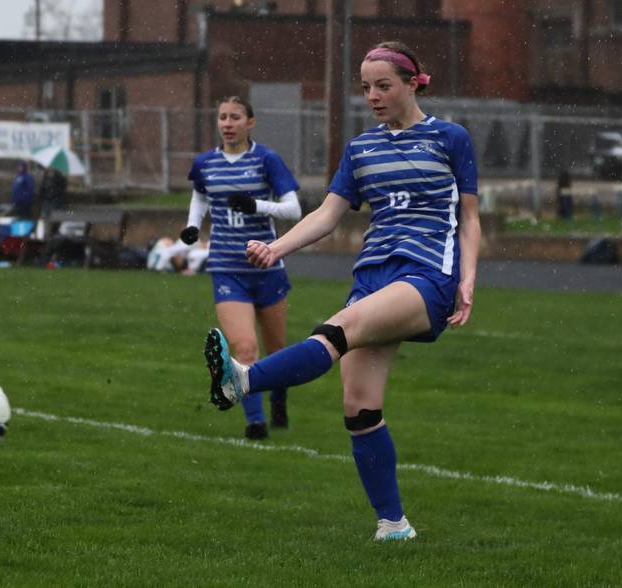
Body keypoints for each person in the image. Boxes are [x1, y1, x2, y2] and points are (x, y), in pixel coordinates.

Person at [203, 42, 480, 540]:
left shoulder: (449, 137)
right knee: (359, 408)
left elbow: (470, 218)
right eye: (366, 87)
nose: (372, 96)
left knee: (339, 328)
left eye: (383, 86)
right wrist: (277, 248)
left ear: (414, 83)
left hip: (426, 276)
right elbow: (328, 215)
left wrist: (467, 279)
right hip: (372, 274)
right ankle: (393, 525)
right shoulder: (361, 148)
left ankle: (242, 382)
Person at [184, 96, 302, 440]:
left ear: (250, 122)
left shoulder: (266, 159)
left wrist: (256, 205)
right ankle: (255, 422)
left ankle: (279, 399)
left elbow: (294, 209)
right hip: (227, 268)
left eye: (235, 117)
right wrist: (193, 224)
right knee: (246, 348)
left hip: (267, 267)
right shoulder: (206, 162)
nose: (227, 123)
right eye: (222, 117)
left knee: (277, 351)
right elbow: (200, 195)